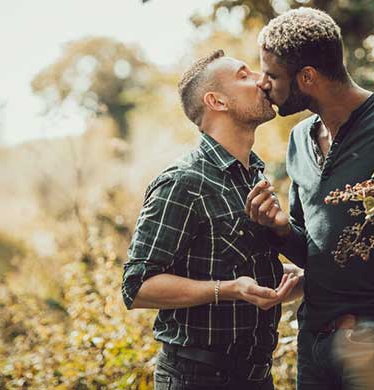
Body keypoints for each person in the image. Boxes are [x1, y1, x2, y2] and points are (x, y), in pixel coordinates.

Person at [245, 8, 374, 389]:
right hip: (315, 343)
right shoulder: (298, 140)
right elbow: (312, 252)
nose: (263, 84)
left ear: (306, 77)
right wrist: (278, 228)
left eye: (272, 75)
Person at [122, 50, 303, 389]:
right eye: (244, 75)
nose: (261, 80)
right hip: (197, 379)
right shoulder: (183, 181)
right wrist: (231, 290)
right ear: (216, 101)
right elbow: (137, 287)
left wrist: (288, 278)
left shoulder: (253, 177)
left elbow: (242, 267)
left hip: (256, 378)